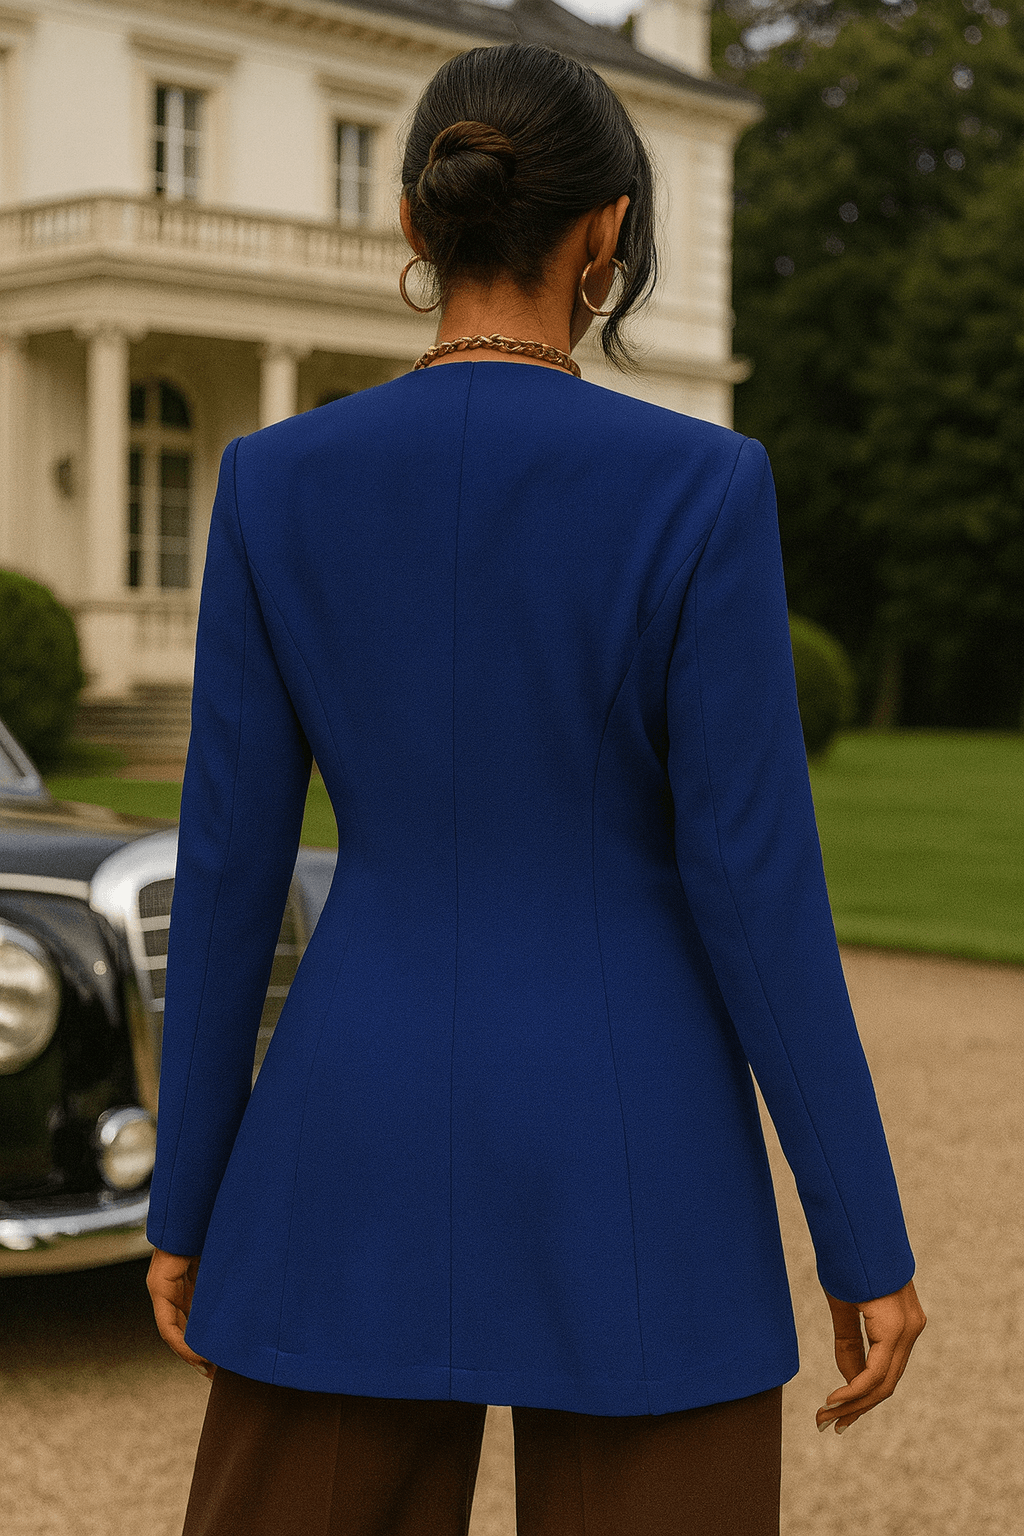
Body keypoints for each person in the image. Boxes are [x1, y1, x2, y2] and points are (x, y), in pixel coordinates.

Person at [146, 41, 925, 1536]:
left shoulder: (268, 482)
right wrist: (860, 1239)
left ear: (415, 224)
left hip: (343, 1145)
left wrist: (189, 1207)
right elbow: (755, 890)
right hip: (643, 1159)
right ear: (607, 237)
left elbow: (229, 869)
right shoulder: (705, 489)